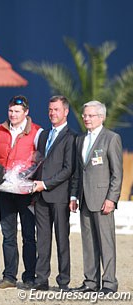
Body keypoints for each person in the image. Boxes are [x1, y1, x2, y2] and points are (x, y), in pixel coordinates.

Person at [0, 95, 43, 289]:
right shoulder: (0, 130)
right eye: (10, 111)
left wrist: (33, 185)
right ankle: (9, 277)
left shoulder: (37, 132)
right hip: (5, 190)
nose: (13, 114)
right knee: (7, 235)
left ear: (26, 112)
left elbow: (41, 161)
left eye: (17, 111)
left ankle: (29, 276)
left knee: (29, 236)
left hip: (26, 191)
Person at [70, 101, 123, 295]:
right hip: (84, 199)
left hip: (103, 200)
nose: (86, 118)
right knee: (88, 244)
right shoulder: (80, 139)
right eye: (85, 115)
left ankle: (109, 283)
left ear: (101, 117)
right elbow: (78, 171)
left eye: (91, 115)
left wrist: (112, 199)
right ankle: (91, 282)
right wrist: (74, 195)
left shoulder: (111, 138)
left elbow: (117, 173)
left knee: (106, 243)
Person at [32, 95, 76, 291]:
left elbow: (68, 169)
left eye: (56, 110)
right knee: (42, 239)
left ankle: (63, 281)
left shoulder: (71, 138)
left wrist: (46, 184)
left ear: (65, 112)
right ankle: (41, 279)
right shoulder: (43, 135)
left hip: (59, 196)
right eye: (50, 109)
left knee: (61, 240)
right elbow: (39, 163)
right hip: (40, 196)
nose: (52, 113)